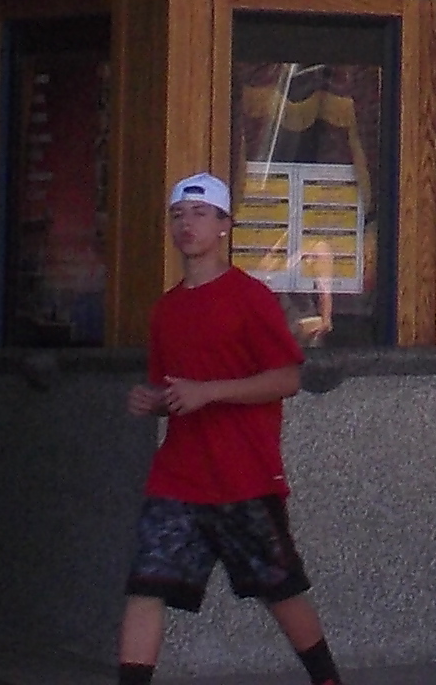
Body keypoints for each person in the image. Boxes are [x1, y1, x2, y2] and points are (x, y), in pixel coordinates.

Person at [114, 172, 340, 685]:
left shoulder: (250, 297)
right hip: (178, 477)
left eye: (198, 214)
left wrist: (207, 392)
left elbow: (287, 377)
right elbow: (175, 392)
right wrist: (155, 402)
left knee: (280, 588)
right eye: (177, 215)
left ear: (223, 226)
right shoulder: (166, 309)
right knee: (145, 585)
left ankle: (327, 679)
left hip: (244, 475)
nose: (185, 224)